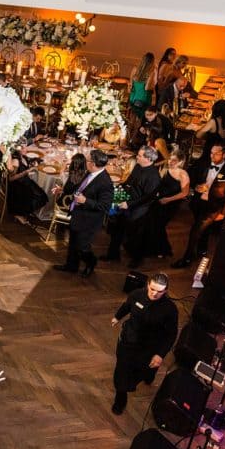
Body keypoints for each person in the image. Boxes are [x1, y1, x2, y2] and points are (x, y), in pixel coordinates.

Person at [111, 273, 178, 414]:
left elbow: (171, 334)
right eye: (152, 289)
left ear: (165, 291)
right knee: (121, 370)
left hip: (149, 347)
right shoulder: (136, 295)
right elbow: (127, 306)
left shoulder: (170, 309)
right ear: (148, 284)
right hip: (128, 341)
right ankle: (120, 398)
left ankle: (149, 374)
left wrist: (160, 355)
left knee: (145, 369)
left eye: (159, 291)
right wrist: (117, 317)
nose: (154, 294)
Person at [53, 149, 114, 278]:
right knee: (73, 242)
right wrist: (62, 190)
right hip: (78, 214)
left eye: (87, 160)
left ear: (93, 163)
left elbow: (104, 206)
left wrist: (86, 201)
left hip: (89, 221)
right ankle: (71, 266)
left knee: (82, 247)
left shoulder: (105, 183)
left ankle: (91, 262)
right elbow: (80, 187)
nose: (85, 162)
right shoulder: (90, 173)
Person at [173, 142, 225, 268]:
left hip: (213, 207)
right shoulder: (203, 164)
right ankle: (202, 249)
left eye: (216, 153)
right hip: (198, 203)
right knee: (203, 229)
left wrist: (223, 212)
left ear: (224, 155)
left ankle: (187, 259)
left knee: (195, 230)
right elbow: (192, 178)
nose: (212, 156)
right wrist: (196, 187)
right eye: (211, 153)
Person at [102, 145, 162, 267]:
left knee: (134, 236)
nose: (137, 157)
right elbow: (129, 182)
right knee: (117, 228)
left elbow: (147, 198)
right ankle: (113, 254)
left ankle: (137, 259)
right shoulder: (138, 166)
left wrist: (128, 204)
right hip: (126, 201)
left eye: (139, 156)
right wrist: (118, 191)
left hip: (139, 209)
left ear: (148, 159)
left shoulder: (154, 177)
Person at [146, 147, 190, 260]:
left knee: (160, 226)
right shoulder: (165, 168)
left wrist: (168, 199)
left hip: (171, 204)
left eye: (174, 160)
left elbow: (185, 193)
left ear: (180, 162)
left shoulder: (183, 174)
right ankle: (156, 248)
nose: (170, 162)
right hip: (159, 201)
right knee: (154, 224)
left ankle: (164, 250)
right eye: (170, 159)